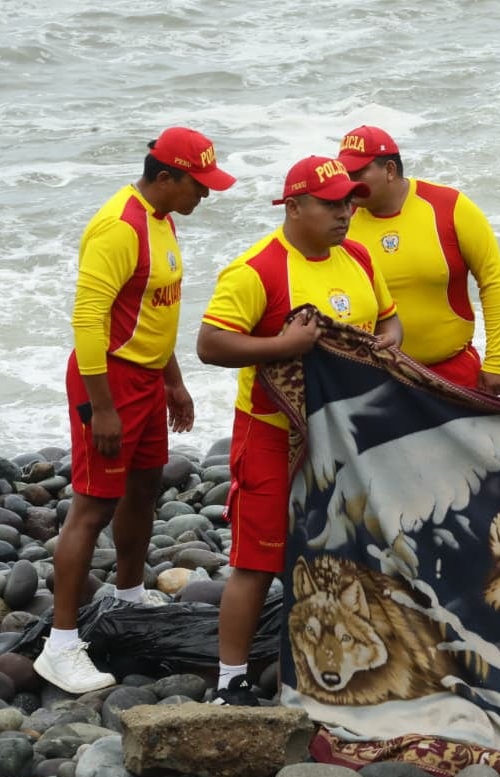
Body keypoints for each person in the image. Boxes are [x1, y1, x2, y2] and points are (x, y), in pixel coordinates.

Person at [34, 127, 236, 694]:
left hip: (147, 379)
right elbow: (88, 318)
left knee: (144, 486)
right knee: (93, 505)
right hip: (109, 379)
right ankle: (61, 645)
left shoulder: (164, 219)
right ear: (165, 177)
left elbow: (155, 310)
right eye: (199, 184)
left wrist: (174, 381)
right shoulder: (119, 227)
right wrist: (101, 407)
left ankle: (127, 596)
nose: (206, 194)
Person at [197, 155, 401, 706]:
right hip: (271, 432)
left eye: (350, 201)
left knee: (349, 551)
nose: (345, 213)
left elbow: (389, 316)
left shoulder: (358, 256)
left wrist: (390, 340)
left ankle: (346, 670)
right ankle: (230, 681)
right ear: (293, 207)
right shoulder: (257, 270)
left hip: (347, 432)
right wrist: (282, 347)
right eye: (331, 204)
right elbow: (210, 344)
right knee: (257, 560)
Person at [337, 125, 500, 395]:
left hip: (452, 371)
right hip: (376, 378)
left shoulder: (450, 206)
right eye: (345, 174)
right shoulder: (339, 223)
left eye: (357, 174)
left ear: (390, 170)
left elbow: (494, 282)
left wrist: (497, 361)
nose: (350, 183)